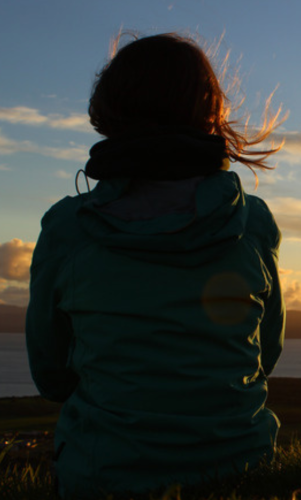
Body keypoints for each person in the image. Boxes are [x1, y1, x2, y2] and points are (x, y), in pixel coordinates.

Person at [26, 33, 285, 498]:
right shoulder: (252, 222)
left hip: (103, 480)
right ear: (209, 111)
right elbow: (265, 354)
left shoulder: (68, 229)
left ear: (109, 110)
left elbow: (50, 375)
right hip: (243, 474)